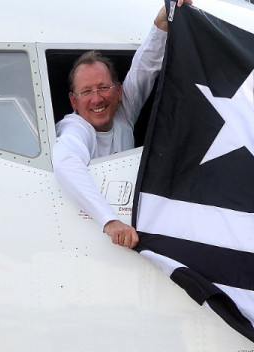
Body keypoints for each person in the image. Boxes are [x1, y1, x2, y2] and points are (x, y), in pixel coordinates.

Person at [53, 2, 191, 249]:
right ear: (73, 101)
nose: (97, 99)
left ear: (117, 90)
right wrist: (110, 222)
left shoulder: (121, 114)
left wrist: (163, 21)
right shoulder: (76, 128)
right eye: (86, 92)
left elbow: (144, 68)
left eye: (103, 88)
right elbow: (66, 163)